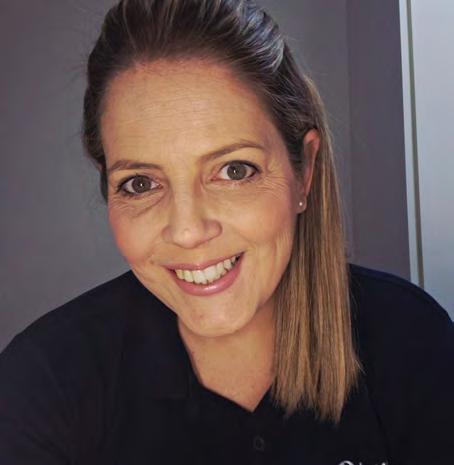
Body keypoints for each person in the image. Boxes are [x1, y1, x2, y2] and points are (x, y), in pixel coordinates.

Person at [0, 0, 453, 464]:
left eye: (235, 170)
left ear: (304, 170)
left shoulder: (411, 340)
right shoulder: (41, 385)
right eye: (140, 184)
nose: (188, 231)